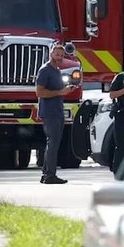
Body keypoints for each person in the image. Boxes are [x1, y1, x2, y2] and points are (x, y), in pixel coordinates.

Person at [35, 44, 77, 184]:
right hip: (49, 112)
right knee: (52, 143)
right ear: (51, 54)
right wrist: (60, 92)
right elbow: (39, 92)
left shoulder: (56, 70)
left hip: (57, 111)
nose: (59, 57)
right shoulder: (45, 70)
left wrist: (65, 90)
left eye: (61, 55)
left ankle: (45, 174)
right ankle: (50, 175)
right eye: (57, 54)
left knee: (53, 143)